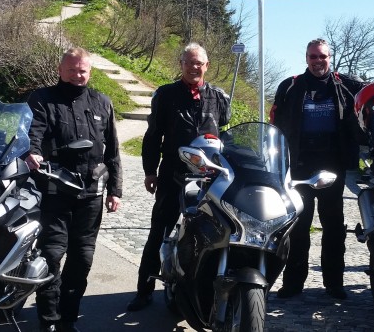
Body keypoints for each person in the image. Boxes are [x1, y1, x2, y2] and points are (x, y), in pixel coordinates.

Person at [127, 42, 231, 311]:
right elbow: (153, 137)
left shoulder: (219, 97)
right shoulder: (166, 94)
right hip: (174, 173)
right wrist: (150, 171)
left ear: (207, 66)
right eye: (189, 62)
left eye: (199, 63)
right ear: (181, 64)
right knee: (159, 230)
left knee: (211, 231)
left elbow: (226, 136)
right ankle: (144, 290)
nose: (194, 67)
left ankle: (201, 287)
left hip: (210, 177)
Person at [25, 47, 122, 332]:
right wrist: (33, 151)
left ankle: (68, 319)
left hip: (91, 194)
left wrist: (115, 190)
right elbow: (33, 132)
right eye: (72, 70)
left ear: (89, 72)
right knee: (51, 255)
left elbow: (113, 151)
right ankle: (49, 320)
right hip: (54, 192)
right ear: (60, 70)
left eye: (82, 70)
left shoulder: (102, 102)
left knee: (82, 259)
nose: (77, 75)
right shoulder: (42, 99)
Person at [269, 38, 365, 300]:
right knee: (299, 225)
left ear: (329, 57)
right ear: (306, 58)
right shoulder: (290, 86)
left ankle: (334, 283)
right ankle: (293, 284)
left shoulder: (347, 85)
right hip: (299, 164)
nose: (318, 61)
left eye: (322, 56)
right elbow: (275, 123)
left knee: (333, 226)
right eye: (313, 57)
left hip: (333, 163)